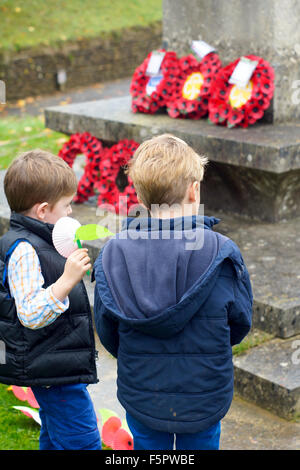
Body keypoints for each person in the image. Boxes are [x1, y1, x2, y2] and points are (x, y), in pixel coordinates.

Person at [93, 134, 253, 450]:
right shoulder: (221, 251)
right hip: (203, 391)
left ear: (138, 195)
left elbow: (107, 328)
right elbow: (240, 321)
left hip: (143, 390)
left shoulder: (114, 253)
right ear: (194, 191)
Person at [0, 149, 101, 450]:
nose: (71, 212)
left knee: (57, 436)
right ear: (43, 210)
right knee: (82, 442)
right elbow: (29, 313)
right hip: (49, 368)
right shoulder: (24, 250)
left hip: (55, 362)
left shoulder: (42, 239)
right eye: (67, 205)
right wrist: (67, 280)